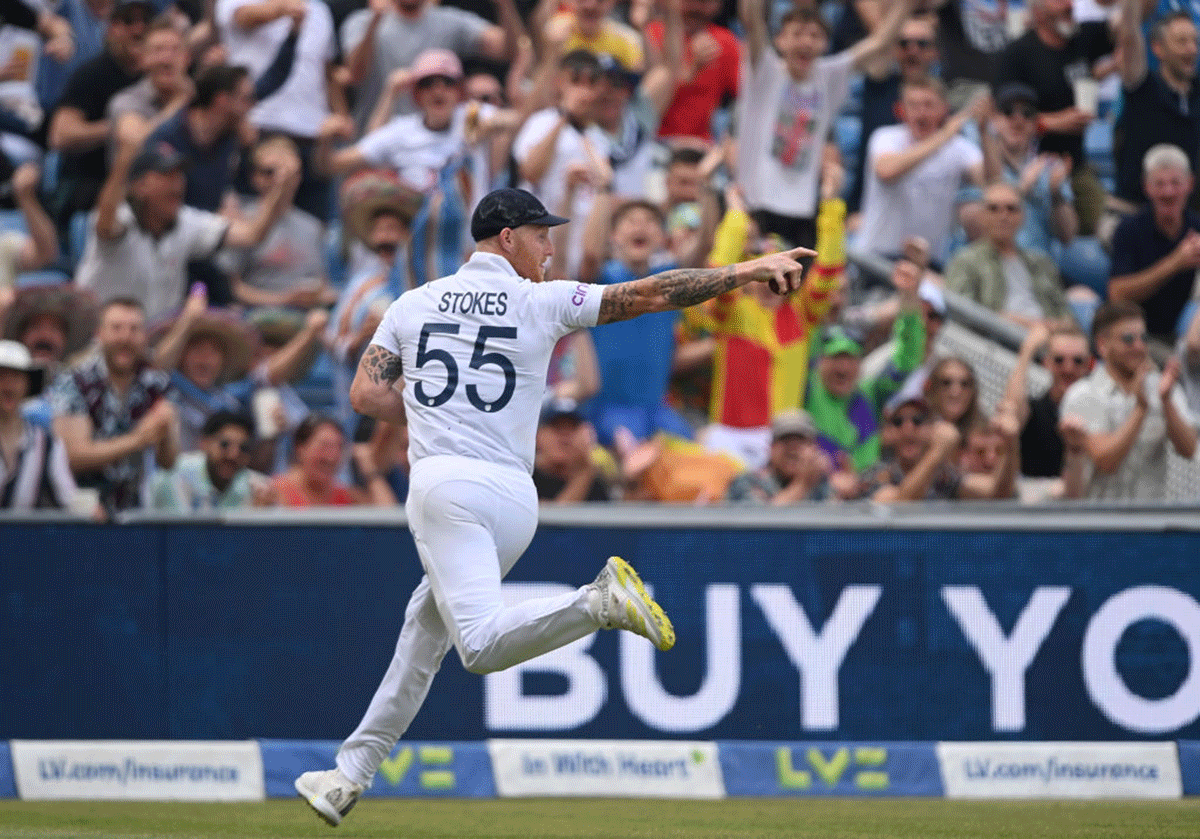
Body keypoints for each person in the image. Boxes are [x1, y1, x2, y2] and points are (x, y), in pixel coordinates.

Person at [293, 187, 814, 826]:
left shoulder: (412, 304)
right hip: (516, 498)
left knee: (478, 647)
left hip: (447, 490)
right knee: (424, 628)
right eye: (542, 234)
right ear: (506, 237)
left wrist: (433, 405)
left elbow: (365, 394)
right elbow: (651, 293)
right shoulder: (544, 301)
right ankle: (348, 776)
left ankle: (595, 603)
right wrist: (744, 270)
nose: (550, 247)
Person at [735, 0, 913, 249]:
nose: (806, 42)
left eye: (815, 36)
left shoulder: (828, 76)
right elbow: (751, 20)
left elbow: (881, 42)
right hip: (755, 203)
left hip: (803, 208)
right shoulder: (764, 69)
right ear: (779, 41)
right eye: (797, 34)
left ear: (825, 45)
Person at [75, 137, 301, 324]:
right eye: (166, 175)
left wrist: (279, 191)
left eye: (179, 174)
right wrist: (123, 162)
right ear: (140, 185)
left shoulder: (186, 221)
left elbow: (252, 235)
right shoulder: (121, 217)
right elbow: (105, 222)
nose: (177, 183)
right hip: (98, 337)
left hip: (151, 347)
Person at [993, 0, 1121, 237]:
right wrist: (1052, 123)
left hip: (1075, 163)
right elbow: (1000, 115)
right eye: (1059, 0)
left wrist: (1115, 64)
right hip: (1031, 166)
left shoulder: (1083, 37)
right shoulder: (1019, 53)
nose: (1069, 5)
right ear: (1038, 12)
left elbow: (1128, 26)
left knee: (1110, 232)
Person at [49, 297, 177, 514]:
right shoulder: (75, 381)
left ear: (145, 336)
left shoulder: (156, 384)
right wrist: (138, 439)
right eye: (116, 328)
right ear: (99, 334)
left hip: (133, 514)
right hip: (81, 514)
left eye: (134, 329)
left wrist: (165, 431)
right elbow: (73, 456)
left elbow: (168, 462)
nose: (125, 337)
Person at [1059, 300, 1197, 499]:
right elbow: (1106, 461)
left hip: (1149, 522)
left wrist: (1166, 402)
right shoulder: (1082, 394)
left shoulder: (1163, 388)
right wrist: (1141, 408)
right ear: (1102, 345)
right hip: (1099, 521)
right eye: (1128, 339)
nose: (1139, 346)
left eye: (1144, 338)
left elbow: (1188, 449)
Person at [857, 76, 987, 262]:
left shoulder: (959, 147)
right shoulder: (885, 137)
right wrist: (943, 136)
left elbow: (989, 182)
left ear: (944, 109)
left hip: (928, 263)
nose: (921, 113)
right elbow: (887, 171)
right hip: (878, 258)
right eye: (914, 105)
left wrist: (984, 134)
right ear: (900, 110)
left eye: (928, 105)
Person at [47, 0, 151, 224]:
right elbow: (60, 134)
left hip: (145, 181)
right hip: (89, 180)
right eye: (129, 21)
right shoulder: (93, 73)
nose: (138, 29)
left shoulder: (157, 78)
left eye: (146, 22)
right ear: (112, 28)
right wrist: (117, 127)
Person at [945, 181, 1076, 329]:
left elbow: (1066, 316)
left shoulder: (1041, 262)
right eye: (993, 209)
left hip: (1049, 341)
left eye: (1011, 209)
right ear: (982, 216)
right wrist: (1027, 324)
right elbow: (961, 314)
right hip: (995, 341)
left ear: (1022, 216)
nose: (1003, 216)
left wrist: (1051, 328)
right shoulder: (965, 261)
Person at [1108, 144, 1200, 344]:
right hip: (1138, 337)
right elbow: (1117, 294)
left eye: (1176, 183)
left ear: (1190, 184)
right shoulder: (1129, 229)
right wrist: (1175, 262)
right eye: (1159, 184)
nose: (1168, 192)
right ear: (1146, 187)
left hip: (1183, 336)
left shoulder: (1196, 226)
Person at [1112, 6, 1200, 211]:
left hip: (1187, 217)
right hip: (1132, 210)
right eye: (1181, 42)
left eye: (1195, 41)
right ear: (1158, 48)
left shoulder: (1197, 91)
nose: (1191, 49)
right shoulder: (1143, 87)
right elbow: (1129, 36)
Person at [1002, 321, 1092, 495]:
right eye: (1059, 360)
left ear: (1089, 365)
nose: (1068, 368)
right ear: (1047, 363)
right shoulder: (1034, 408)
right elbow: (1010, 415)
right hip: (1037, 510)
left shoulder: (1099, 408)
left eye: (1077, 360)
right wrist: (1027, 351)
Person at [0, 339, 77, 510]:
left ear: (28, 384)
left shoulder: (47, 443)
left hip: (23, 536)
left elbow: (69, 497)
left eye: (16, 377)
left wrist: (89, 509)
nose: (8, 386)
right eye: (1, 377)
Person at [148, 409, 274, 511]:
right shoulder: (173, 474)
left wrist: (259, 514)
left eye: (243, 448)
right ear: (204, 443)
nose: (233, 455)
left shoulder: (257, 488)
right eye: (225, 444)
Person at [272, 412, 396, 506]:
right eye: (324, 446)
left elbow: (388, 517)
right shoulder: (274, 493)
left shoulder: (343, 495)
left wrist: (371, 471)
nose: (332, 456)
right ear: (300, 449)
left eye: (339, 447)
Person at [725, 407, 832, 503]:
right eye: (785, 439)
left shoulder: (821, 483)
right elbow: (760, 520)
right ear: (770, 448)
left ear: (814, 449)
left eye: (800, 440)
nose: (793, 447)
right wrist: (802, 485)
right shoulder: (747, 482)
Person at [532, 395, 610, 502]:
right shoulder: (526, 476)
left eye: (572, 427)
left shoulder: (596, 485)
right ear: (538, 434)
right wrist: (586, 471)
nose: (565, 436)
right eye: (557, 427)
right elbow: (554, 517)